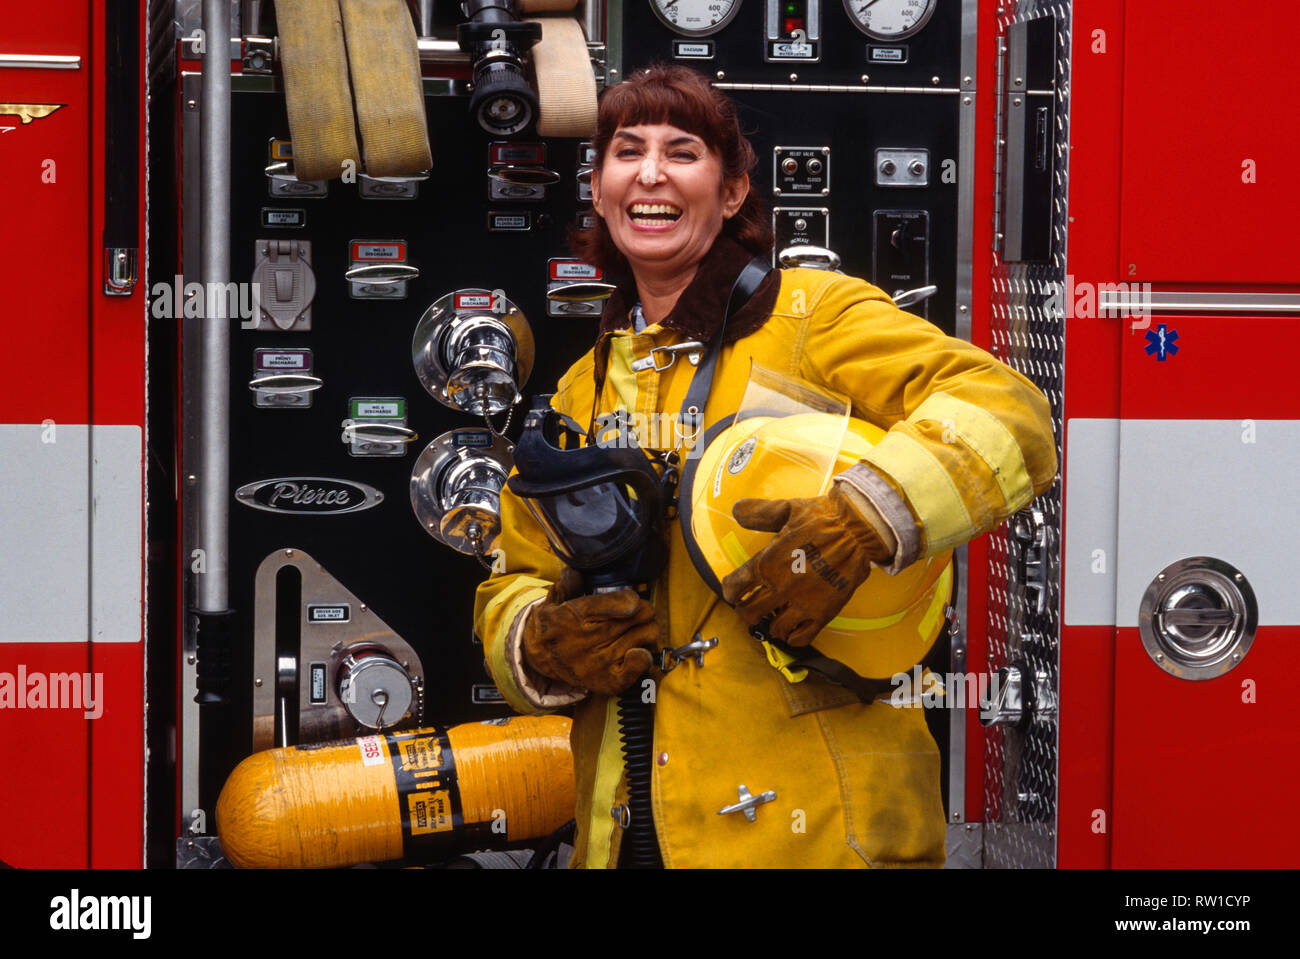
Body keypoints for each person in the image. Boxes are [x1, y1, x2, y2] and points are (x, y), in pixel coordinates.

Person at [473, 64, 1057, 868]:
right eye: (626, 152)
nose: (650, 173)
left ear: (735, 191)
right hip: (629, 832)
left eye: (683, 153)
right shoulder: (583, 389)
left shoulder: (813, 315)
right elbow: (512, 581)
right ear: (601, 190)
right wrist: (539, 644)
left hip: (821, 835)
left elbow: (1009, 410)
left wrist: (868, 517)